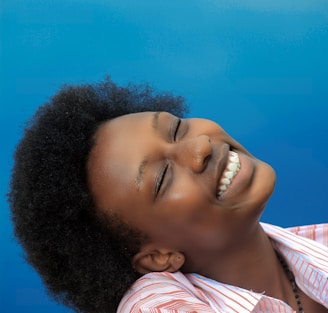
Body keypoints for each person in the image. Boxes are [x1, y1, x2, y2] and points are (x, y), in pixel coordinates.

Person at [8, 77, 328, 313]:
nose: (200, 146)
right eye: (162, 178)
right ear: (158, 256)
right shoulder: (153, 304)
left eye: (176, 129)